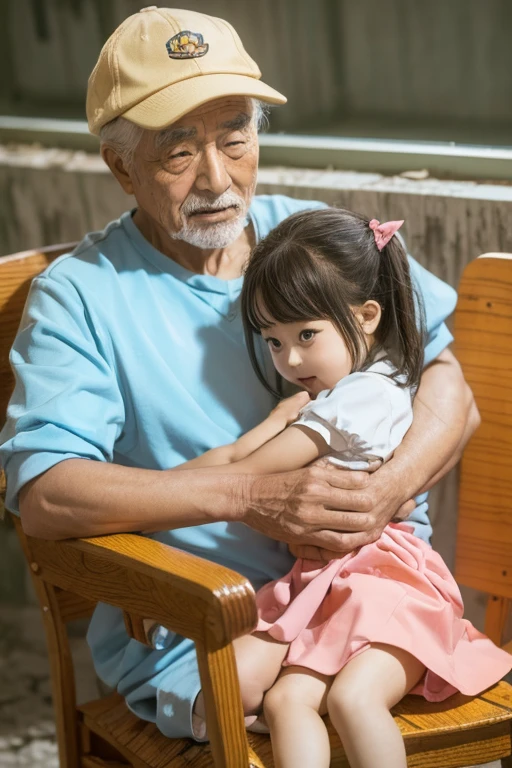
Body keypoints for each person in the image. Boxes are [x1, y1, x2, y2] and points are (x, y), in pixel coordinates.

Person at [0, 7, 479, 741]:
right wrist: (251, 495)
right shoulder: (81, 293)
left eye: (236, 137)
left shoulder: (313, 239)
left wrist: (387, 490)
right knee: (293, 709)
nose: (218, 178)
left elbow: (447, 377)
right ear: (120, 165)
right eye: (179, 152)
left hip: (367, 596)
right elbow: (45, 496)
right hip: (208, 626)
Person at [179, 207, 511, 767]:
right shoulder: (322, 399)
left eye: (306, 334)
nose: (292, 358)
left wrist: (189, 491)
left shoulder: (366, 396)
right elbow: (238, 455)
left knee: (355, 699)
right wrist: (152, 490)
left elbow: (254, 467)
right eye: (274, 342)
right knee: (286, 701)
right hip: (329, 581)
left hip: (385, 579)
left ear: (366, 317)